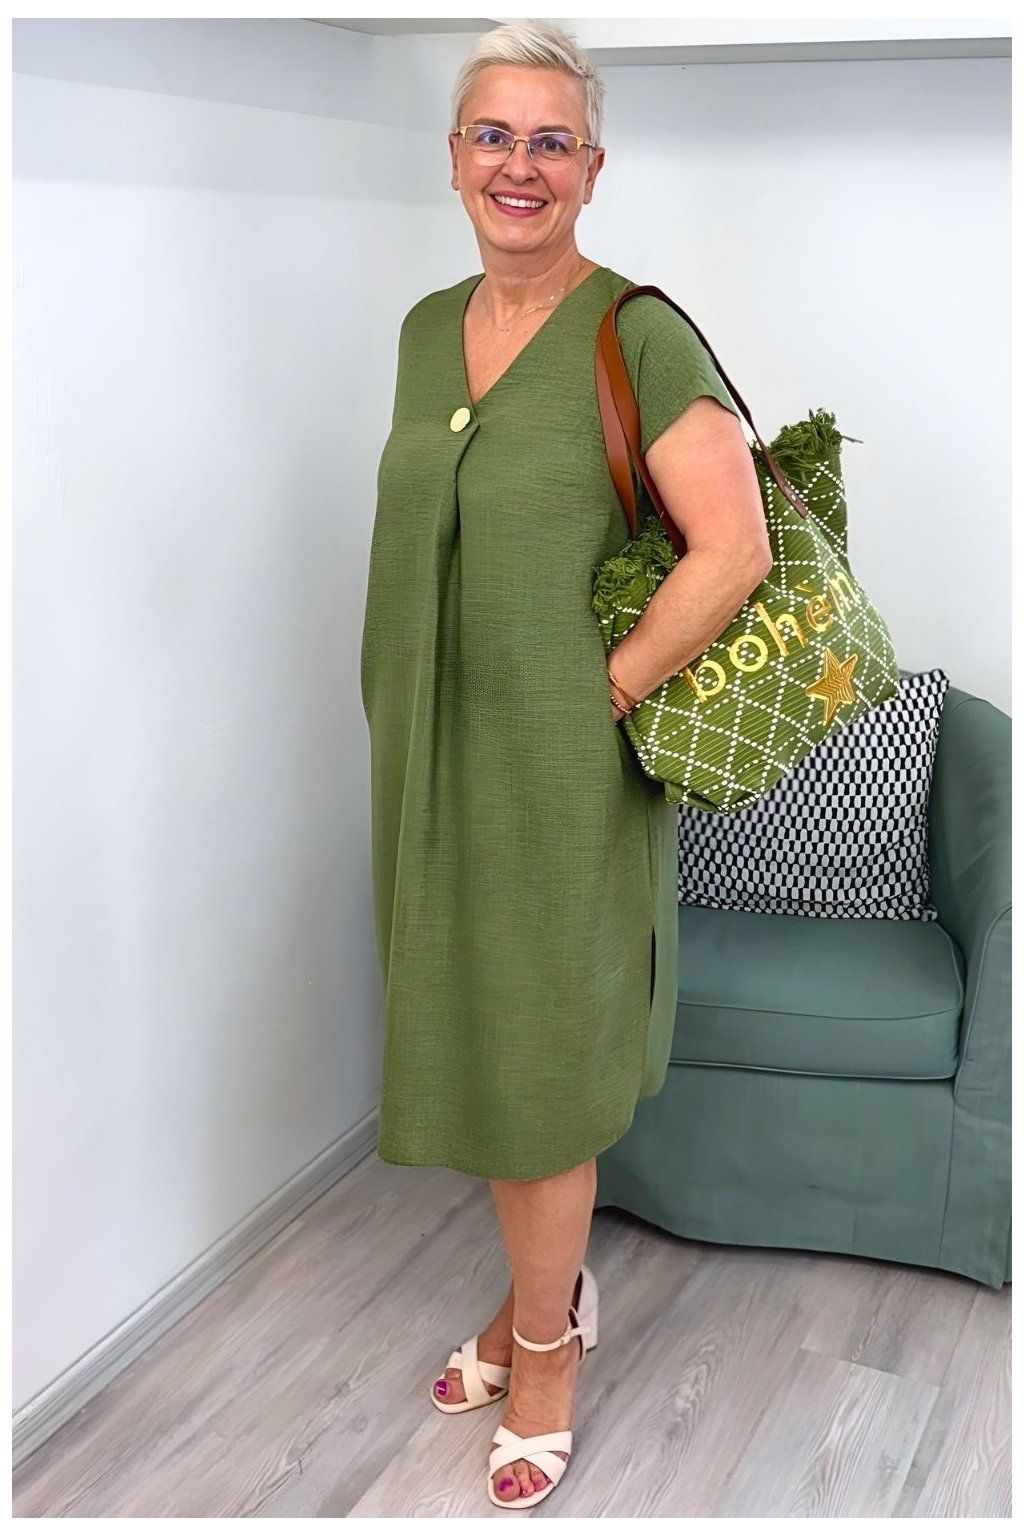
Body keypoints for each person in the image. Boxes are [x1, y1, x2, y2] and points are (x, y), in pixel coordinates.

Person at [358, 19, 772, 1511]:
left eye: (551, 141)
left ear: (593, 169)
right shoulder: (427, 327)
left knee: (537, 1063)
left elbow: (735, 548)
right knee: (481, 1035)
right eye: (494, 136)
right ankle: (543, 1294)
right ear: (453, 158)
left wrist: (603, 690)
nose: (518, 165)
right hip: (429, 759)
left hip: (557, 773)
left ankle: (545, 1350)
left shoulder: (634, 334)